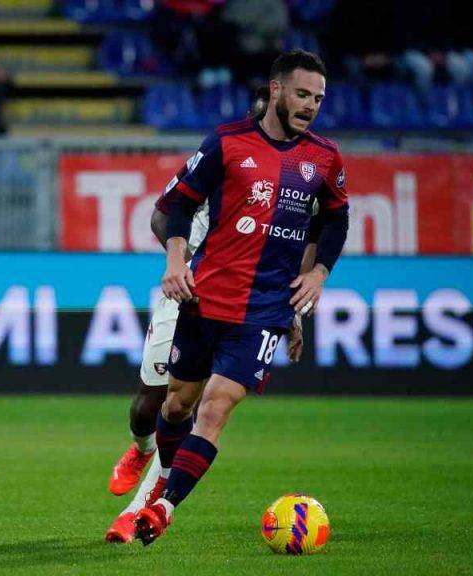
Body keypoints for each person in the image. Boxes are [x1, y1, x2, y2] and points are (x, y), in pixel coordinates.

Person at [133, 50, 349, 546]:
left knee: (215, 407)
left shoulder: (324, 157)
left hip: (264, 311)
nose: (310, 105)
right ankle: (165, 476)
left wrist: (318, 273)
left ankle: (164, 507)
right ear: (276, 90)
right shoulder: (227, 144)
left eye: (318, 98)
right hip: (205, 297)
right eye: (301, 94)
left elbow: (336, 219)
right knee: (176, 406)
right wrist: (175, 263)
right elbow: (180, 203)